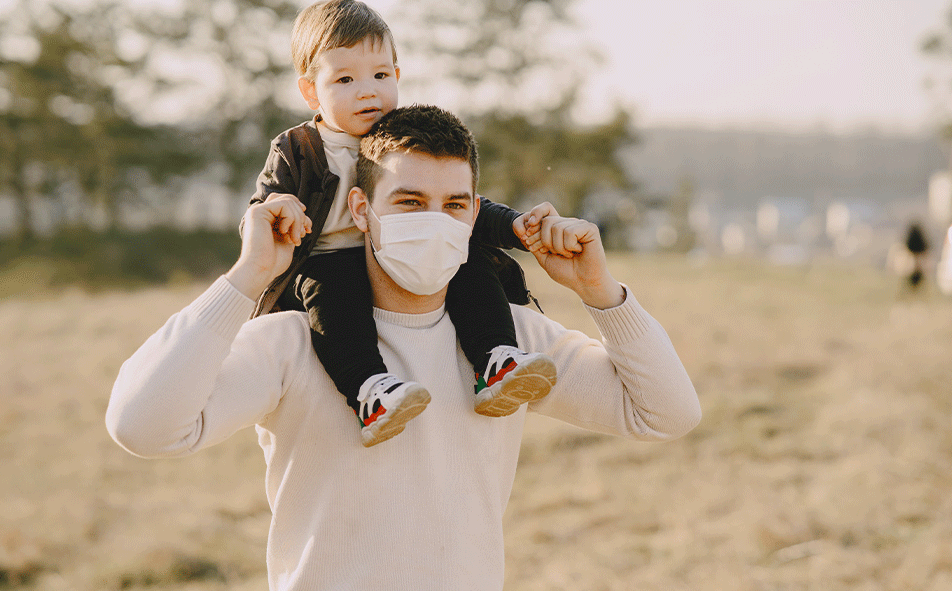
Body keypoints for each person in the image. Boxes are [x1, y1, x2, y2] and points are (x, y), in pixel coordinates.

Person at [106, 105, 701, 591]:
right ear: (362, 210)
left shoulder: (511, 341)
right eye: (410, 202)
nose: (435, 222)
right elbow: (142, 426)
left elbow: (665, 414)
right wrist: (247, 277)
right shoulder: (294, 341)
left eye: (455, 205)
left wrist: (600, 293)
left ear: (475, 213)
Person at [248, 0, 558, 447]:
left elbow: (454, 201)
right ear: (311, 91)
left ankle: (495, 360)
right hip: (329, 261)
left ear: (397, 75)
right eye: (345, 80)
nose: (367, 92)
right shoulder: (299, 149)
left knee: (469, 259)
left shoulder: (398, 136)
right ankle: (369, 391)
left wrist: (513, 226)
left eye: (380, 75)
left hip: (400, 251)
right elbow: (260, 211)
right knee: (334, 294)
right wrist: (280, 207)